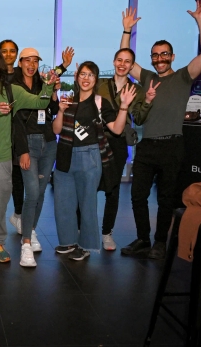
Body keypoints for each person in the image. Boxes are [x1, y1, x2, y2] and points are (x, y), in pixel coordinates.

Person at [118, 0, 201, 260]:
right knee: (137, 197)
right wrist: (127, 31)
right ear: (152, 58)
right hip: (147, 146)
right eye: (155, 55)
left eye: (164, 54)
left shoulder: (184, 76)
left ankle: (160, 242)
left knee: (165, 200)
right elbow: (125, 60)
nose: (159, 59)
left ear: (172, 56)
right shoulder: (148, 77)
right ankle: (142, 239)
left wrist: (200, 21)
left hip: (172, 145)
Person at [0, 45, 56, 267]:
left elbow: (40, 102)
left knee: (0, 205)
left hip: (2, 158)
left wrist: (48, 85)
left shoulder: (11, 91)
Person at [52, 61, 136, 261]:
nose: (86, 78)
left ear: (95, 79)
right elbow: (56, 130)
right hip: (64, 155)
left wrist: (124, 106)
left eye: (90, 75)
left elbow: (116, 129)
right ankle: (68, 241)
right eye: (83, 74)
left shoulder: (100, 102)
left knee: (87, 204)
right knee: (63, 203)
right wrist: (61, 111)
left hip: (89, 156)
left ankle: (87, 245)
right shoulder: (69, 101)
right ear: (76, 77)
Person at [11, 47, 68, 266]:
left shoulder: (42, 81)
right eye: (28, 60)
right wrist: (22, 150)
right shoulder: (13, 86)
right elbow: (15, 123)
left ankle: (31, 230)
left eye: (35, 60)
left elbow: (52, 108)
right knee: (32, 192)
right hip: (29, 144)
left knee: (41, 192)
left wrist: (54, 91)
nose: (32, 64)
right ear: (20, 62)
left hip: (48, 142)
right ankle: (26, 243)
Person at [96, 48, 156, 251]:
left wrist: (147, 101)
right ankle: (81, 229)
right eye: (119, 60)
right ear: (113, 62)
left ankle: (107, 233)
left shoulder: (137, 90)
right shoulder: (99, 84)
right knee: (86, 187)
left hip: (118, 143)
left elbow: (139, 118)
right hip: (94, 141)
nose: (122, 64)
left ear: (132, 66)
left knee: (112, 190)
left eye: (127, 61)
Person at [0, 39, 23, 235]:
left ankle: (17, 215)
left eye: (12, 51)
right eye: (4, 51)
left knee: (15, 180)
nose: (8, 55)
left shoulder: (22, 75)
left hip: (16, 135)